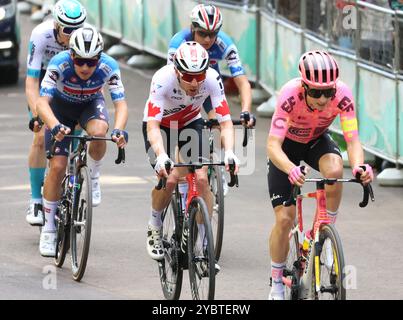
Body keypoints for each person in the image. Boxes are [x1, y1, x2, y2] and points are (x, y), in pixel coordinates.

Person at [266, 50, 374, 300]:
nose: (324, 99)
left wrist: (359, 167)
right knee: (285, 219)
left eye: (329, 92)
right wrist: (290, 168)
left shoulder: (343, 95)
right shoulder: (289, 95)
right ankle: (276, 284)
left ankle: (324, 235)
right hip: (286, 149)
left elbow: (353, 140)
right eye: (316, 92)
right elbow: (272, 145)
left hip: (316, 141)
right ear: (304, 87)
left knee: (336, 170)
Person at [36, 25, 129, 257]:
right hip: (59, 108)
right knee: (57, 167)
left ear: (99, 58)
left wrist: (119, 130)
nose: (86, 67)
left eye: (92, 62)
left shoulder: (109, 66)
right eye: (80, 61)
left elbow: (121, 104)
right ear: (71, 55)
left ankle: (94, 175)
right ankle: (48, 229)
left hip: (90, 105)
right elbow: (41, 102)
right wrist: (54, 124)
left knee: (99, 131)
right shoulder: (59, 63)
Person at [143, 41, 240, 261]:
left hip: (190, 122)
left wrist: (230, 153)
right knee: (168, 180)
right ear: (177, 71)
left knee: (203, 177)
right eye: (188, 76)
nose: (195, 82)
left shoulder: (213, 79)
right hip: (161, 127)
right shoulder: (162, 79)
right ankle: (155, 225)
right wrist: (161, 155)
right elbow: (153, 126)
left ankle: (204, 243)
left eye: (199, 75)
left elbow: (225, 123)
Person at [25, 0, 87, 227]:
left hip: (72, 83)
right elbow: (32, 82)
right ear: (56, 25)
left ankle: (71, 182)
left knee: (75, 136)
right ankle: (35, 199)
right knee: (41, 136)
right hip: (44, 82)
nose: (73, 36)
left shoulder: (86, 39)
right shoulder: (41, 34)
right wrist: (37, 115)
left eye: (78, 30)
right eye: (68, 31)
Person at [167, 4, 254, 128]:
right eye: (202, 33)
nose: (207, 39)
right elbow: (171, 79)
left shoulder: (225, 43)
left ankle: (223, 148)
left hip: (209, 83)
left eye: (213, 34)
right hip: (183, 86)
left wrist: (246, 111)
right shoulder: (178, 43)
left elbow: (242, 82)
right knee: (181, 129)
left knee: (222, 125)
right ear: (193, 28)